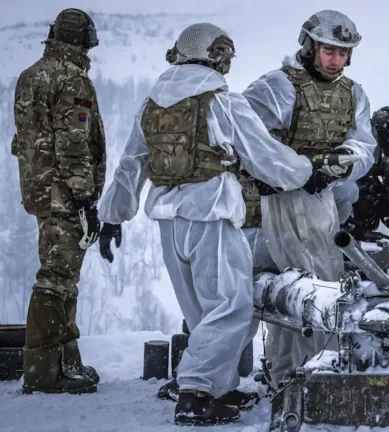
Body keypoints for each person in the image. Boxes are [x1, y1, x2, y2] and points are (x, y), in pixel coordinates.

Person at [96, 23, 316, 425]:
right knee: (231, 307)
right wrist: (308, 172)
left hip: (168, 221)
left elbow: (132, 166)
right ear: (217, 56)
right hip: (211, 216)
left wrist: (112, 218)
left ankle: (221, 385)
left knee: (202, 310)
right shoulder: (222, 102)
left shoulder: (153, 105)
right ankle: (195, 395)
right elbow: (266, 158)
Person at [242, 9, 377, 387]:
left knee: (305, 286)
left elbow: (365, 145)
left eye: (343, 53)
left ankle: (298, 376)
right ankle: (300, 375)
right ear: (309, 46)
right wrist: (290, 169)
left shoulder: (353, 94)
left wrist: (339, 162)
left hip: (322, 203)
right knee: (295, 288)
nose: (336, 60)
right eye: (329, 51)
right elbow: (244, 133)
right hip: (274, 203)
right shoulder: (278, 87)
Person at [11, 8, 105, 395]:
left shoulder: (30, 75)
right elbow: (72, 143)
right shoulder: (73, 79)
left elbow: (25, 141)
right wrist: (84, 198)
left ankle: (65, 363)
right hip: (64, 194)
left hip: (40, 190)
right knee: (57, 278)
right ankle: (44, 371)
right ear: (83, 39)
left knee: (61, 274)